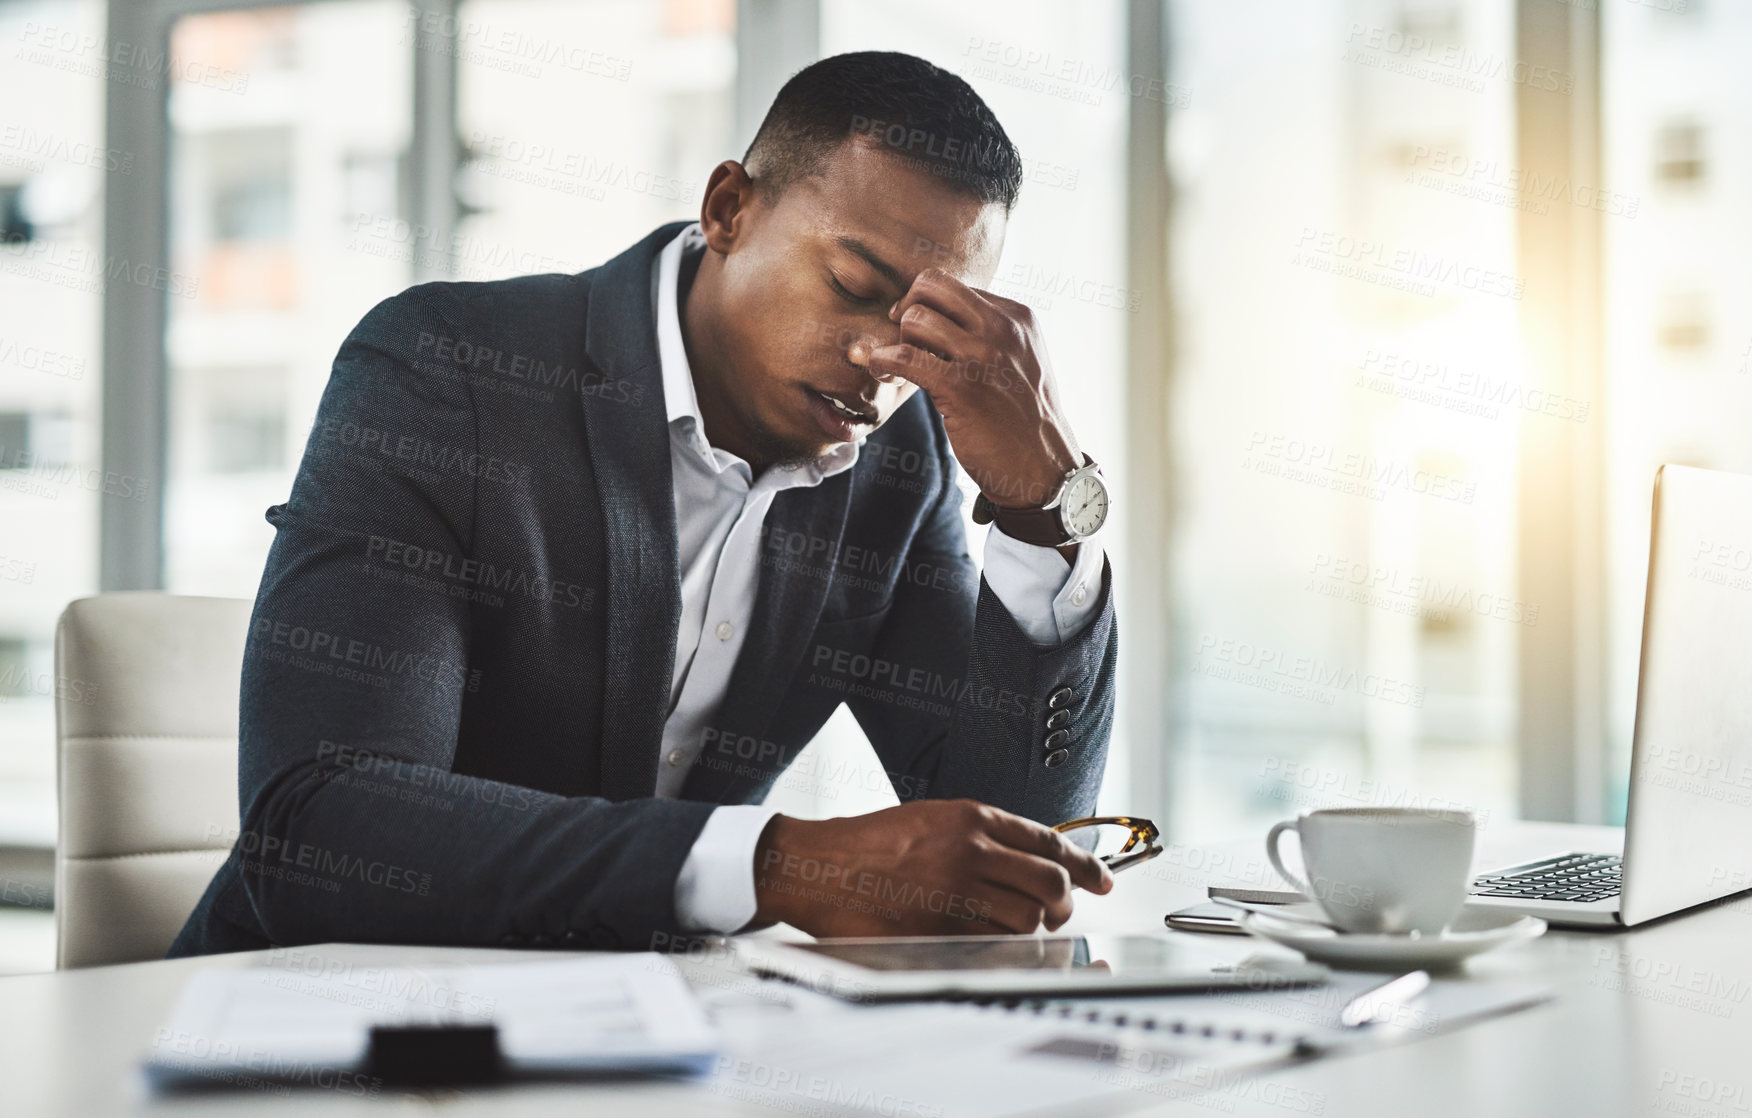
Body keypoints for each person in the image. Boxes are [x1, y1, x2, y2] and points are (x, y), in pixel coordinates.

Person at [169, 51, 1118, 958]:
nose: (882, 358)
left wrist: (1042, 509)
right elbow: (322, 820)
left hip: (662, 1038)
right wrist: (774, 864)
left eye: (926, 325)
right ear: (728, 210)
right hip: (316, 1019)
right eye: (853, 287)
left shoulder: (895, 458)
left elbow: (1010, 841)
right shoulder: (447, 368)